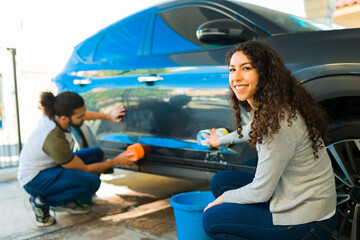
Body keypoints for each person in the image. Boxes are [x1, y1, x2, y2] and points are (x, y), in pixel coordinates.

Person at [202, 41, 337, 240]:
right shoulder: (271, 108)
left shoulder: (279, 125)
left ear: (264, 74)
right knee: (221, 181)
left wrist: (222, 200)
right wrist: (220, 140)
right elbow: (251, 130)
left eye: (246, 68)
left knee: (212, 218)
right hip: (293, 197)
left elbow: (260, 192)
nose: (236, 77)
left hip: (309, 223)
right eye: (232, 69)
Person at [17, 91, 135, 227]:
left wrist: (109, 116)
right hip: (36, 180)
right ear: (64, 119)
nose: (84, 117)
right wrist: (116, 161)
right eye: (81, 116)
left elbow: (81, 114)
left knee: (96, 153)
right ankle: (41, 201)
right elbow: (84, 169)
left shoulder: (56, 113)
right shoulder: (54, 139)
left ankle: (70, 197)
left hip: (51, 167)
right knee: (92, 182)